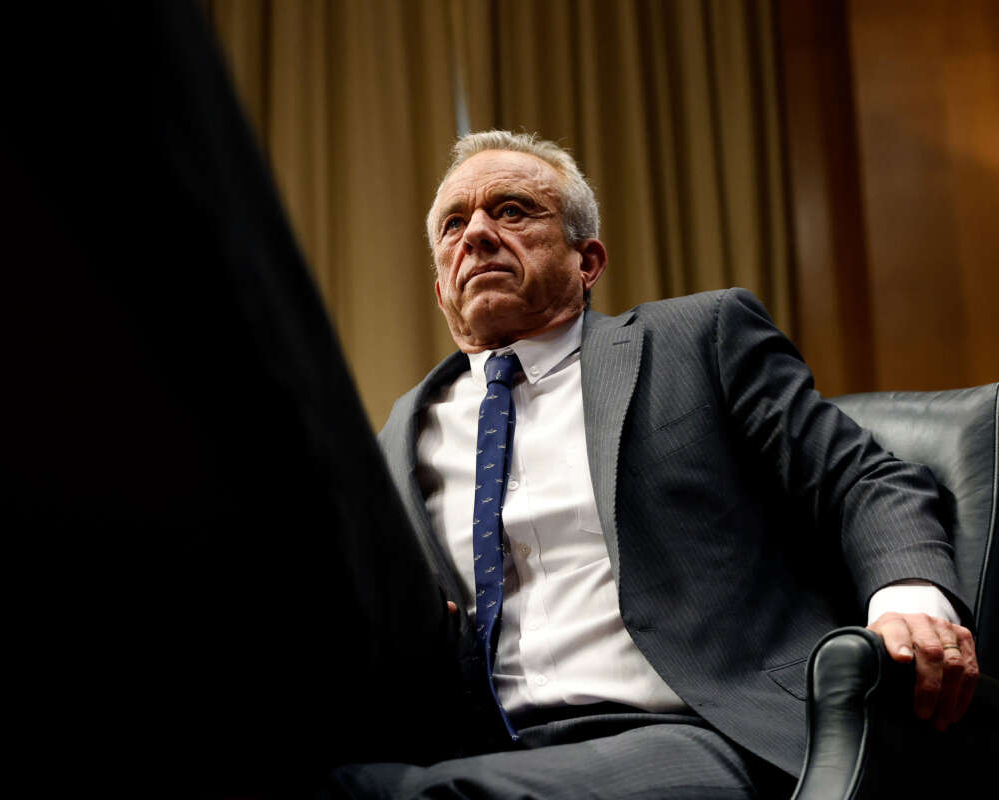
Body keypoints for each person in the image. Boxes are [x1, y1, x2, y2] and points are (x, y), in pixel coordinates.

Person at [326, 131, 980, 798]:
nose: (479, 234)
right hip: (490, 748)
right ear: (442, 291)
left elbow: (863, 479)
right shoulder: (404, 433)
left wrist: (909, 603)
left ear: (589, 260)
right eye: (454, 224)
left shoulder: (696, 340)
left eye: (514, 210)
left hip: (700, 732)